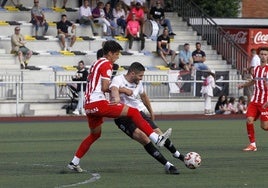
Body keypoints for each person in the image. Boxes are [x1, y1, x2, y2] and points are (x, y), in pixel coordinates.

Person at [67, 40, 172, 172]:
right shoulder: (107, 64)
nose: (117, 57)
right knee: (133, 112)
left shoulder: (96, 62)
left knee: (95, 135)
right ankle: (156, 138)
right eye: (116, 54)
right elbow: (105, 87)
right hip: (98, 103)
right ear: (110, 53)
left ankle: (74, 162)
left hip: (88, 106)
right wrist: (123, 90)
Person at [111, 62, 185, 174]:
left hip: (139, 113)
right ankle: (168, 165)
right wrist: (124, 90)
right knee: (144, 139)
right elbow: (112, 89)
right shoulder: (118, 79)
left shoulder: (138, 83)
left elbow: (144, 96)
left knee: (159, 133)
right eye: (140, 75)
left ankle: (177, 154)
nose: (141, 78)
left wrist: (151, 112)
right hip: (122, 117)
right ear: (132, 73)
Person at [238, 47, 268, 152]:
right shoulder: (255, 69)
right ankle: (252, 145)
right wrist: (243, 85)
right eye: (262, 54)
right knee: (249, 120)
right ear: (259, 55)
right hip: (255, 100)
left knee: (264, 127)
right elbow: (254, 81)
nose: (263, 56)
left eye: (265, 54)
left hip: (265, 102)